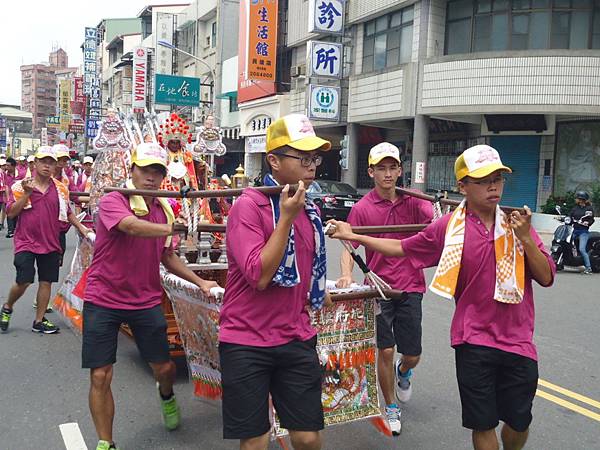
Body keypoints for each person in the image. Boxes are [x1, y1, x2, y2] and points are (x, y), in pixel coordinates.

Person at [329, 144, 555, 450]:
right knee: (483, 423)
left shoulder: (517, 224)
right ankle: (392, 404)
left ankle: (404, 371)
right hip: (472, 339)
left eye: (498, 179)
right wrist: (352, 235)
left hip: (518, 341)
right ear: (462, 186)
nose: (493, 186)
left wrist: (526, 238)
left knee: (519, 422)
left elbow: (546, 277)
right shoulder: (450, 228)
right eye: (483, 179)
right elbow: (403, 247)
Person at [81, 142, 219, 450]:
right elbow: (130, 227)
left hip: (145, 302)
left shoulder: (163, 208)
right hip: (103, 299)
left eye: (157, 172)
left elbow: (168, 257)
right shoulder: (115, 199)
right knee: (101, 375)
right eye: (145, 170)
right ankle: (106, 442)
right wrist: (170, 227)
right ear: (133, 170)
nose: (151, 178)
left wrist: (200, 282)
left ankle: (166, 395)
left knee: (165, 369)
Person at [219, 113, 331, 450]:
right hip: (246, 339)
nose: (311, 165)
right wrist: (285, 220)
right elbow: (260, 275)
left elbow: (307, 274)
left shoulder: (309, 210)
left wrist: (319, 292)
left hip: (295, 336)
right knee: (255, 441)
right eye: (303, 157)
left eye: (315, 158)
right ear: (274, 160)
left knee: (308, 438)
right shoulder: (248, 207)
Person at [335, 142, 433, 435]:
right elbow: (348, 244)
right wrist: (345, 275)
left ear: (401, 170)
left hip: (411, 286)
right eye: (382, 168)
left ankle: (405, 372)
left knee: (411, 353)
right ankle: (390, 405)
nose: (388, 174)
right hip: (378, 289)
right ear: (371, 172)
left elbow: (437, 223)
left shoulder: (415, 202)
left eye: (393, 168)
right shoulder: (363, 209)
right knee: (386, 351)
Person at [0, 146, 90, 334]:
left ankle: (39, 321)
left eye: (51, 162)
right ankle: (8, 306)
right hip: (26, 241)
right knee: (24, 280)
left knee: (46, 280)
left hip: (50, 241)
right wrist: (26, 193)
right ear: (35, 163)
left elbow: (68, 212)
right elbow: (11, 213)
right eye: (43, 162)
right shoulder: (20, 186)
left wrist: (81, 227)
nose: (47, 166)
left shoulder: (60, 189)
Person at [570, 191, 595, 274]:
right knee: (565, 244)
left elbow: (591, 219)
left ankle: (588, 268)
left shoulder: (589, 209)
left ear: (582, 199)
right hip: (574, 230)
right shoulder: (575, 208)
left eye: (578, 198)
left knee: (582, 249)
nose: (576, 200)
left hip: (583, 232)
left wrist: (587, 223)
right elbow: (570, 216)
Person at [3, 157, 24, 238]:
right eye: (6, 165)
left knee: (18, 214)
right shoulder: (5, 174)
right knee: (9, 213)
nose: (6, 167)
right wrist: (8, 198)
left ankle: (16, 229)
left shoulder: (21, 173)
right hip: (10, 196)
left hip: (19, 197)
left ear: (13, 166)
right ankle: (10, 230)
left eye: (8, 166)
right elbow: (6, 186)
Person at [0, 158, 7, 231]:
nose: (5, 166)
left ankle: (1, 223)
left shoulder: (4, 173)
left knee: (4, 209)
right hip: (1, 194)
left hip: (2, 195)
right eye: (3, 165)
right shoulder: (0, 173)